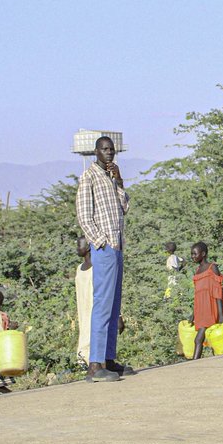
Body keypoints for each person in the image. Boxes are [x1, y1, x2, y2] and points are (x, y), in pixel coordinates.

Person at [76, 136, 132, 382]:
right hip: (105, 247)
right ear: (96, 152)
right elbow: (84, 215)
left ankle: (109, 359)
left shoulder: (109, 177)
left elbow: (124, 207)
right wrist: (100, 241)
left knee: (113, 304)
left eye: (112, 150)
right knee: (102, 304)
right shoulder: (88, 177)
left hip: (117, 246)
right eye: (105, 150)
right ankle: (95, 364)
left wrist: (119, 181)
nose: (109, 153)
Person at [189, 241, 223, 360]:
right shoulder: (198, 270)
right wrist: (193, 314)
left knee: (198, 338)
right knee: (211, 337)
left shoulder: (212, 267)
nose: (192, 256)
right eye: (192, 254)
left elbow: (218, 292)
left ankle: (194, 362)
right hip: (200, 308)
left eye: (195, 254)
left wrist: (221, 315)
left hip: (211, 306)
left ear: (203, 253)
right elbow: (197, 294)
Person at [74, 237, 93, 367]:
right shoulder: (79, 268)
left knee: (93, 331)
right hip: (82, 306)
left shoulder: (96, 267)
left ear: (88, 247)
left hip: (94, 305)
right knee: (84, 329)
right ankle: (83, 359)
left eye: (79, 246)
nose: (77, 249)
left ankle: (92, 361)